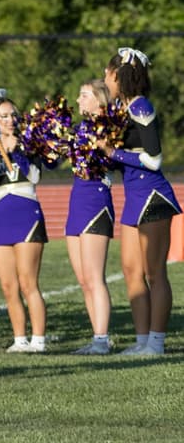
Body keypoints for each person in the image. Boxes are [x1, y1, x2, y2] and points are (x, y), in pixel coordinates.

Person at [101, 47, 180, 355]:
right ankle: (141, 341)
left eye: (107, 74)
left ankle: (157, 343)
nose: (105, 80)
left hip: (152, 196)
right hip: (133, 196)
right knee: (132, 271)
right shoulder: (122, 111)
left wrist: (113, 153)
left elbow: (155, 158)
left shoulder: (141, 106)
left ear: (117, 74)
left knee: (154, 272)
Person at [0, 96, 47, 353]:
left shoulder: (29, 142)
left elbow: (35, 176)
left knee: (28, 283)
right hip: (1, 216)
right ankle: (19, 339)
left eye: (12, 115)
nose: (10, 120)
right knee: (8, 285)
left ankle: (38, 340)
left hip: (26, 213)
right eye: (3, 116)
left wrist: (17, 151)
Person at [66, 80, 115, 354]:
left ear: (99, 100)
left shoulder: (109, 127)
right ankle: (96, 337)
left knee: (95, 276)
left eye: (84, 95)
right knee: (84, 278)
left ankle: (102, 339)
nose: (78, 99)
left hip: (96, 198)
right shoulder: (80, 128)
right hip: (77, 199)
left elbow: (107, 160)